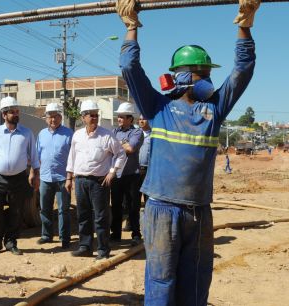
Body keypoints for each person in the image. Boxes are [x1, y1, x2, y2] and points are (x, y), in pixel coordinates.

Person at [117, 0, 259, 304]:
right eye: (203, 72)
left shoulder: (215, 109)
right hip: (162, 209)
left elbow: (243, 70)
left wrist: (244, 25)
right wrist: (131, 27)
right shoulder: (158, 107)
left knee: (196, 284)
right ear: (182, 76)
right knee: (161, 282)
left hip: (199, 210)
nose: (208, 78)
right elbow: (130, 67)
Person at [66, 99, 126, 260]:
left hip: (100, 182)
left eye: (96, 115)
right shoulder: (77, 135)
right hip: (80, 181)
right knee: (83, 215)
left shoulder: (107, 135)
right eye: (90, 115)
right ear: (83, 117)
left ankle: (103, 249)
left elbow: (121, 154)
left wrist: (113, 171)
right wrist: (69, 178)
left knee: (101, 216)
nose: (94, 118)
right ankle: (85, 246)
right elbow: (72, 157)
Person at [0, 96, 40, 257]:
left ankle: (11, 242)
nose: (15, 114)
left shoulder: (26, 133)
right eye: (12, 112)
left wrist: (35, 173)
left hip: (19, 178)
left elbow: (33, 156)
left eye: (17, 111)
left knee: (16, 210)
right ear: (4, 114)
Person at [36, 102, 73, 249]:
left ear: (60, 117)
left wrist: (71, 176)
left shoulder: (69, 133)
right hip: (45, 178)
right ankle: (46, 235)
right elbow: (38, 155)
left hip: (63, 178)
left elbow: (73, 156)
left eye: (56, 116)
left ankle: (65, 238)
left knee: (64, 209)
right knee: (45, 208)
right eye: (50, 117)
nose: (53, 120)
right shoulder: (41, 134)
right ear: (46, 118)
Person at [110, 102, 143, 246]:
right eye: (119, 116)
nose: (120, 119)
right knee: (116, 205)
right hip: (117, 175)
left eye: (123, 117)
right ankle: (116, 233)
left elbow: (130, 148)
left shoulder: (136, 132)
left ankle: (136, 234)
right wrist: (122, 144)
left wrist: (117, 145)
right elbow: (109, 148)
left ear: (130, 119)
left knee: (133, 206)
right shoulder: (114, 132)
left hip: (131, 175)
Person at [138, 114, 151, 206]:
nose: (141, 121)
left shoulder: (154, 135)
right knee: (135, 196)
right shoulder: (135, 134)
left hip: (148, 170)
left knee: (148, 195)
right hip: (136, 170)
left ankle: (147, 217)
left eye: (144, 119)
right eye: (139, 119)